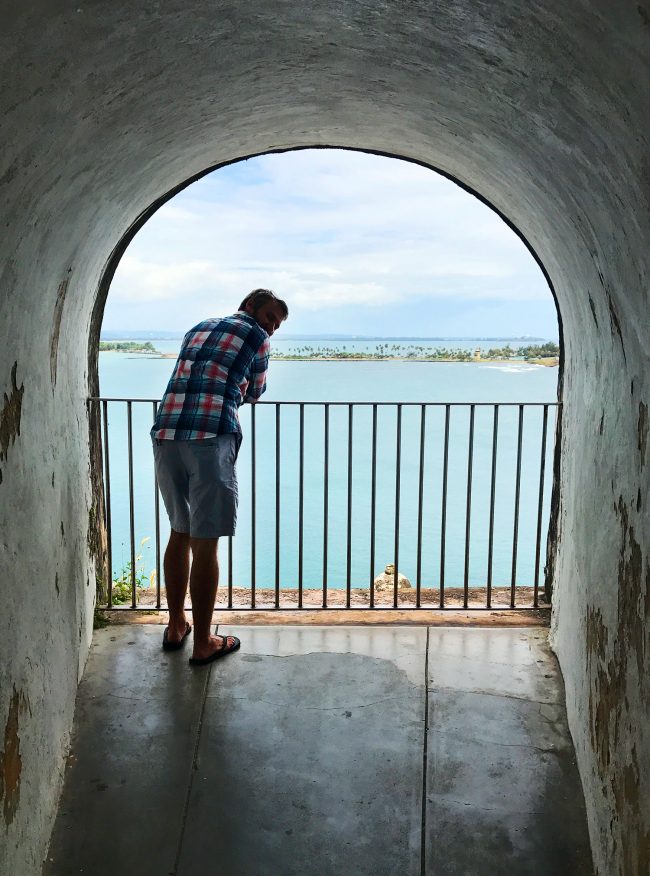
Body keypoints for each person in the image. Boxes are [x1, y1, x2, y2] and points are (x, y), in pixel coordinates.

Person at [151, 289, 288, 664]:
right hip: (210, 437)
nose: (271, 328)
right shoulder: (255, 337)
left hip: (166, 434)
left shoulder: (199, 326)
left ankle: (177, 625)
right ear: (249, 306)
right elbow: (255, 391)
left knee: (179, 530)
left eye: (277, 324)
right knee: (205, 541)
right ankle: (203, 644)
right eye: (270, 317)